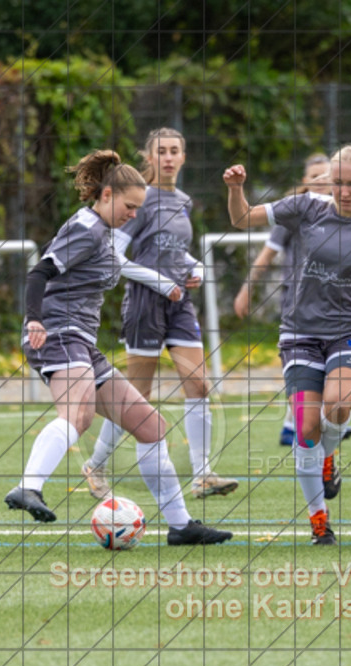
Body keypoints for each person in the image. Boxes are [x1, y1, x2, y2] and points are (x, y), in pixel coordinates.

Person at [4, 149, 232, 545]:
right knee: (78, 415)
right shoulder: (86, 228)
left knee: (151, 427)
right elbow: (40, 271)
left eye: (138, 208)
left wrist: (176, 277)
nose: (133, 214)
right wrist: (35, 318)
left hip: (81, 340)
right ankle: (28, 486)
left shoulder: (103, 232)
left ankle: (181, 527)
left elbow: (124, 265)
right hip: (58, 332)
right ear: (106, 195)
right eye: (129, 206)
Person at [224, 144, 351, 545]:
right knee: (305, 427)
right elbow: (240, 219)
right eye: (337, 182)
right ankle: (319, 520)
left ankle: (328, 457)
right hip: (300, 334)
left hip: (350, 332)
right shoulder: (305, 207)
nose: (343, 191)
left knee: (337, 407)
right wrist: (236, 189)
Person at [80, 128, 239, 502]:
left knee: (198, 384)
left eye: (175, 151)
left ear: (183, 157)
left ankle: (202, 475)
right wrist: (157, 282)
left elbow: (172, 250)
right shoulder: (139, 199)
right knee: (138, 395)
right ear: (148, 157)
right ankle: (96, 464)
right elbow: (114, 257)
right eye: (161, 151)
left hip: (179, 302)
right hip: (145, 303)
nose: (168, 157)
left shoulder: (182, 200)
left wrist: (194, 267)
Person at [234, 153, 351, 450]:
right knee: (306, 372)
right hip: (298, 307)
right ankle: (298, 426)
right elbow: (265, 257)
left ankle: (307, 424)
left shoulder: (349, 215)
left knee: (333, 372)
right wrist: (247, 289)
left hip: (337, 308)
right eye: (315, 175)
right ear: (305, 181)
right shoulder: (293, 214)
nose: (322, 180)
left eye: (328, 175)